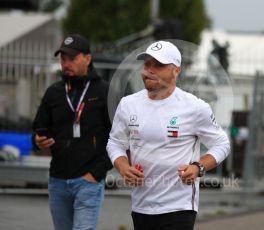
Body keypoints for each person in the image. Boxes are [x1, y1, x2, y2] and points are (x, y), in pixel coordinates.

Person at [107, 41, 230, 230]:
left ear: (176, 70)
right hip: (141, 205)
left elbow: (222, 144)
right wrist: (123, 167)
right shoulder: (128, 104)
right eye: (147, 64)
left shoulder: (195, 107)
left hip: (179, 206)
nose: (150, 70)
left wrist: (198, 167)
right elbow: (115, 143)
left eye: (158, 65)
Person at [32, 34, 113, 230]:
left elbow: (119, 138)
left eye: (72, 59)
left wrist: (97, 172)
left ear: (88, 58)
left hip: (88, 181)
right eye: (63, 59)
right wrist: (38, 140)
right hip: (58, 180)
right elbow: (39, 129)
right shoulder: (54, 92)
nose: (66, 64)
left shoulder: (104, 92)